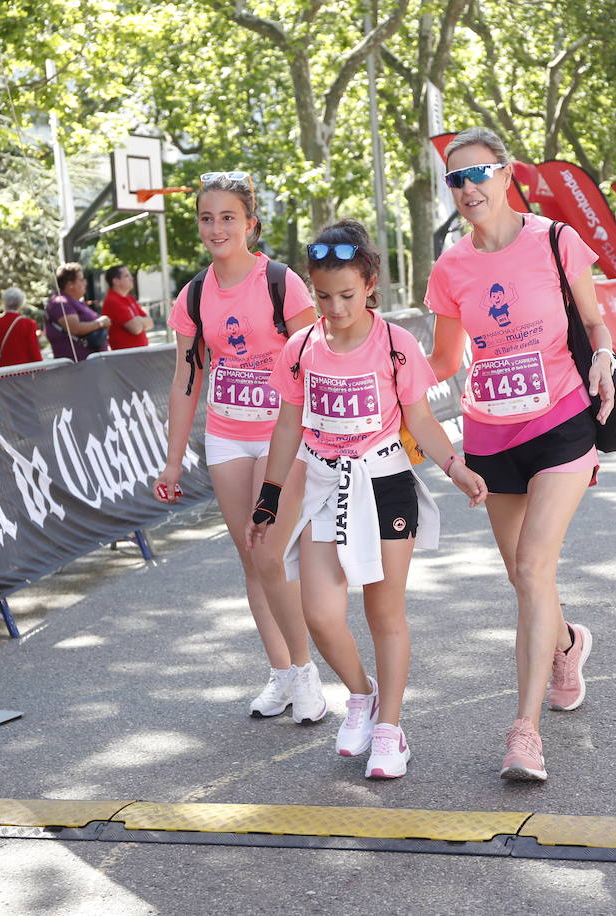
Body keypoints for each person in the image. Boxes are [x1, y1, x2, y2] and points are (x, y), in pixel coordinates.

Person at [246, 220, 488, 779]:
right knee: (320, 613)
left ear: (371, 284)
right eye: (324, 296)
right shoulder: (300, 349)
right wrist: (270, 497)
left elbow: (420, 418)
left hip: (384, 484)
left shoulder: (397, 345)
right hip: (325, 486)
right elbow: (287, 427)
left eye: (347, 295)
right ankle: (361, 696)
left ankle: (389, 729)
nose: (335, 308)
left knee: (384, 610)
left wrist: (455, 466)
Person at [423, 127, 616, 781]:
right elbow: (446, 361)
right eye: (456, 179)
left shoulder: (555, 240)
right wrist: (380, 367)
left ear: (507, 175)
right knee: (522, 578)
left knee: (534, 569)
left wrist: (606, 361)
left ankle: (524, 734)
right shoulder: (450, 268)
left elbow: (594, 322)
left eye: (480, 174)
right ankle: (565, 643)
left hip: (562, 422)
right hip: (489, 435)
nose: (469, 188)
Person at [152, 171, 326, 721]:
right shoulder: (194, 294)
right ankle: (281, 673)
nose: (216, 228)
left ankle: (305, 672)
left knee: (272, 553)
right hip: (226, 435)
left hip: (283, 437)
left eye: (228, 217)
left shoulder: (282, 283)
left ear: (251, 224)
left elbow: (317, 360)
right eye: (207, 218)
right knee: (252, 561)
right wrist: (174, 459)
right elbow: (187, 379)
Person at [45, 263, 110, 361]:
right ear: (70, 284)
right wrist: (100, 323)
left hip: (91, 364)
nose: (85, 283)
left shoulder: (75, 302)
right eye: (81, 279)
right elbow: (75, 328)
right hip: (77, 367)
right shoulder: (60, 303)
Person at [100, 265, 155, 350]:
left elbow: (151, 323)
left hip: (138, 354)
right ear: (116, 281)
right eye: (127, 276)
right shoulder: (112, 300)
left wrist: (138, 319)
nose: (131, 278)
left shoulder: (128, 297)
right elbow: (135, 329)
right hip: (126, 357)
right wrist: (141, 321)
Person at [0, 287, 43, 368]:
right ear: (20, 303)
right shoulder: (29, 324)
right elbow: (34, 352)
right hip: (24, 370)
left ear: (4, 302)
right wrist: (41, 369)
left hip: (4, 371)